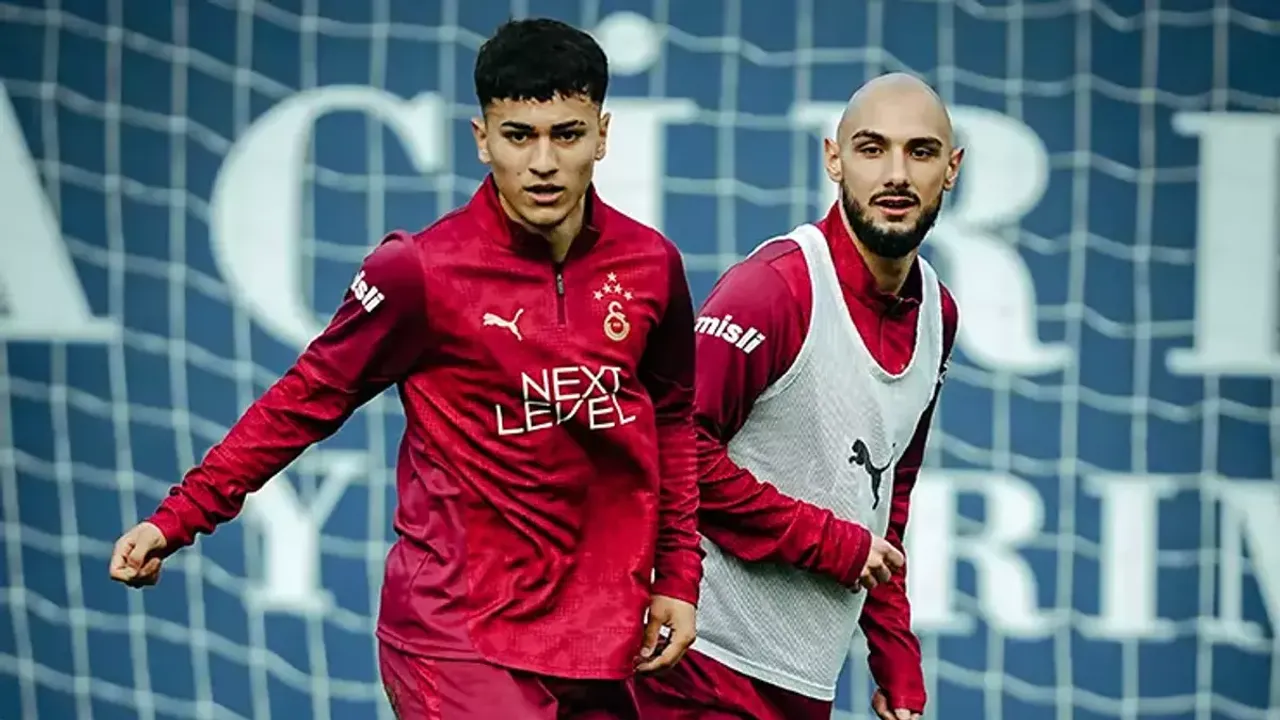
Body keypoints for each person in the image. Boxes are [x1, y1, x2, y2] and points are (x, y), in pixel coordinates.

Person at [108, 18, 703, 719]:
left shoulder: (651, 265)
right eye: (518, 136)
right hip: (456, 636)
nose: (543, 162)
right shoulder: (419, 271)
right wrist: (179, 517)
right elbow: (306, 399)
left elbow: (671, 422)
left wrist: (678, 576)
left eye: (566, 135)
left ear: (601, 136)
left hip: (599, 634)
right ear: (482, 139)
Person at [634, 73, 962, 720]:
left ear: (951, 169)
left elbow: (885, 496)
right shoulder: (776, 289)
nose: (896, 174)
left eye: (920, 152)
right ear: (833, 159)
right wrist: (830, 544)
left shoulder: (937, 315)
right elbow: (676, 451)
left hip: (803, 684)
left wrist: (894, 653)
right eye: (872, 149)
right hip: (694, 666)